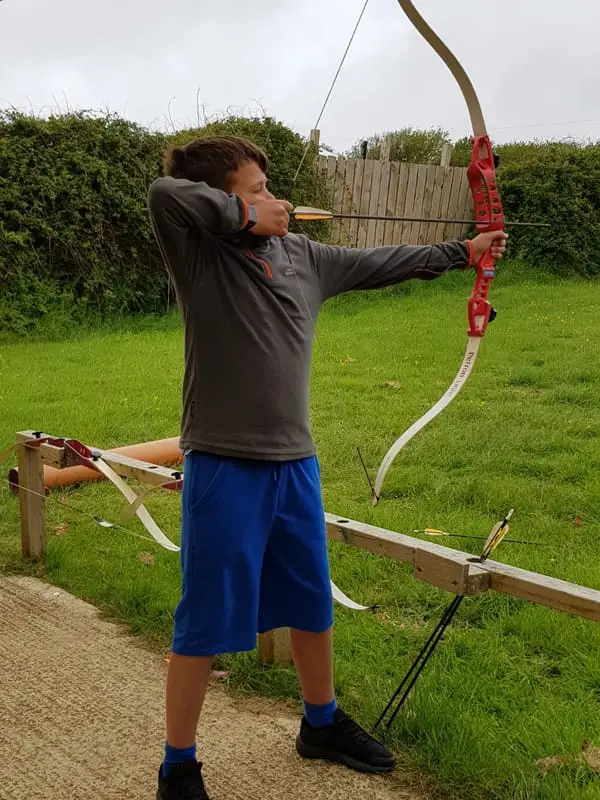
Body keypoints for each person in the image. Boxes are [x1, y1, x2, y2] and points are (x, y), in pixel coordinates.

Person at [147, 135, 507, 800]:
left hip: (295, 465)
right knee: (204, 615)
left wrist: (464, 253)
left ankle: (320, 723)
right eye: (255, 189)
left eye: (268, 187)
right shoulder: (200, 256)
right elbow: (165, 193)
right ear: (223, 201)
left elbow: (381, 261)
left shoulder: (304, 256)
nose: (273, 199)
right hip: (223, 466)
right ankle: (179, 765)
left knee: (311, 600)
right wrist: (245, 216)